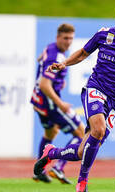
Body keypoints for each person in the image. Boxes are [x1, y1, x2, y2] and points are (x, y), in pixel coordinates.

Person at [33, 2, 115, 192]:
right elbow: (83, 53)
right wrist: (64, 63)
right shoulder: (104, 35)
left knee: (83, 150)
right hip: (95, 89)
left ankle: (52, 153)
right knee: (98, 130)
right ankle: (82, 182)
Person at [31, 23, 85, 184]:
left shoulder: (51, 48)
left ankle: (38, 171)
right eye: (65, 38)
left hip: (39, 101)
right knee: (82, 134)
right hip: (51, 104)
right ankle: (58, 167)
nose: (68, 42)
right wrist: (61, 103)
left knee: (50, 133)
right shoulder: (57, 57)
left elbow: (41, 59)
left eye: (71, 38)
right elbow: (44, 84)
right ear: (58, 37)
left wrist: (58, 82)